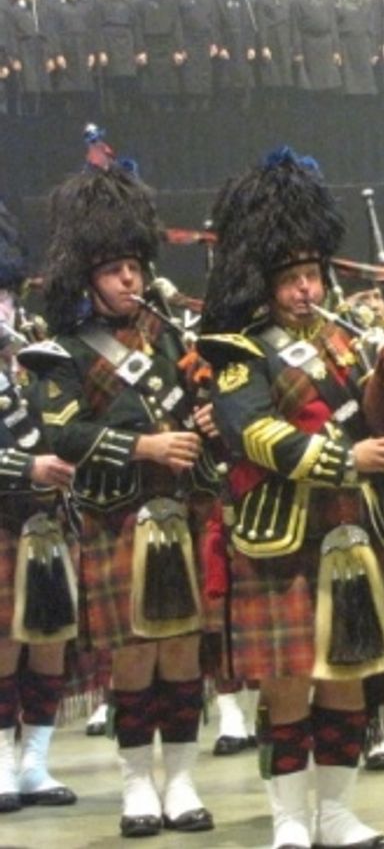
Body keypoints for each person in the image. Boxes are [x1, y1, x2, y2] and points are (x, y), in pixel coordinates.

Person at [200, 150, 384, 849]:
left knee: (347, 679)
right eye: (292, 278)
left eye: (312, 275)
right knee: (290, 684)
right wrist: (346, 458)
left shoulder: (348, 342)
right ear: (264, 281)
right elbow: (252, 432)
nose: (306, 289)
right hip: (284, 534)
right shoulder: (240, 347)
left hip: (356, 533)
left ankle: (336, 814)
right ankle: (290, 821)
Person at [28, 155, 215, 837]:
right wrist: (143, 447)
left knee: (185, 652)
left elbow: (201, 412)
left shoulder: (174, 341)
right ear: (88, 277)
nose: (129, 277)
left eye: (134, 264)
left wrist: (202, 422)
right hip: (117, 516)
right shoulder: (63, 351)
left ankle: (185, 779)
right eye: (113, 268)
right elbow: (62, 433)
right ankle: (139, 784)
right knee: (135, 654)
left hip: (182, 509)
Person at [0, 202, 78, 817]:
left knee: (48, 641)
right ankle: (1, 763)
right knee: (2, 644)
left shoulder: (34, 362)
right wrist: (26, 468)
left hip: (45, 525)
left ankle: (36, 764)